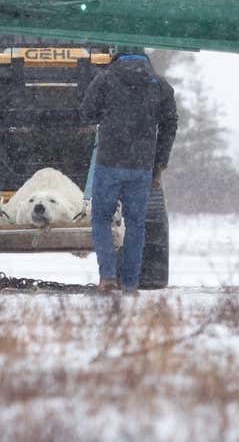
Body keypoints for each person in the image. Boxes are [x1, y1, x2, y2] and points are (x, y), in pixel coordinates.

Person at [80, 47, 178, 293]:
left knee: (101, 220)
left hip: (109, 163)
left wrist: (107, 116)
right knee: (136, 224)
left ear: (117, 57)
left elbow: (87, 113)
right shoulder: (159, 84)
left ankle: (108, 277)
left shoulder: (105, 79)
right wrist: (160, 162)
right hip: (141, 167)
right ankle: (131, 282)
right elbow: (170, 123)